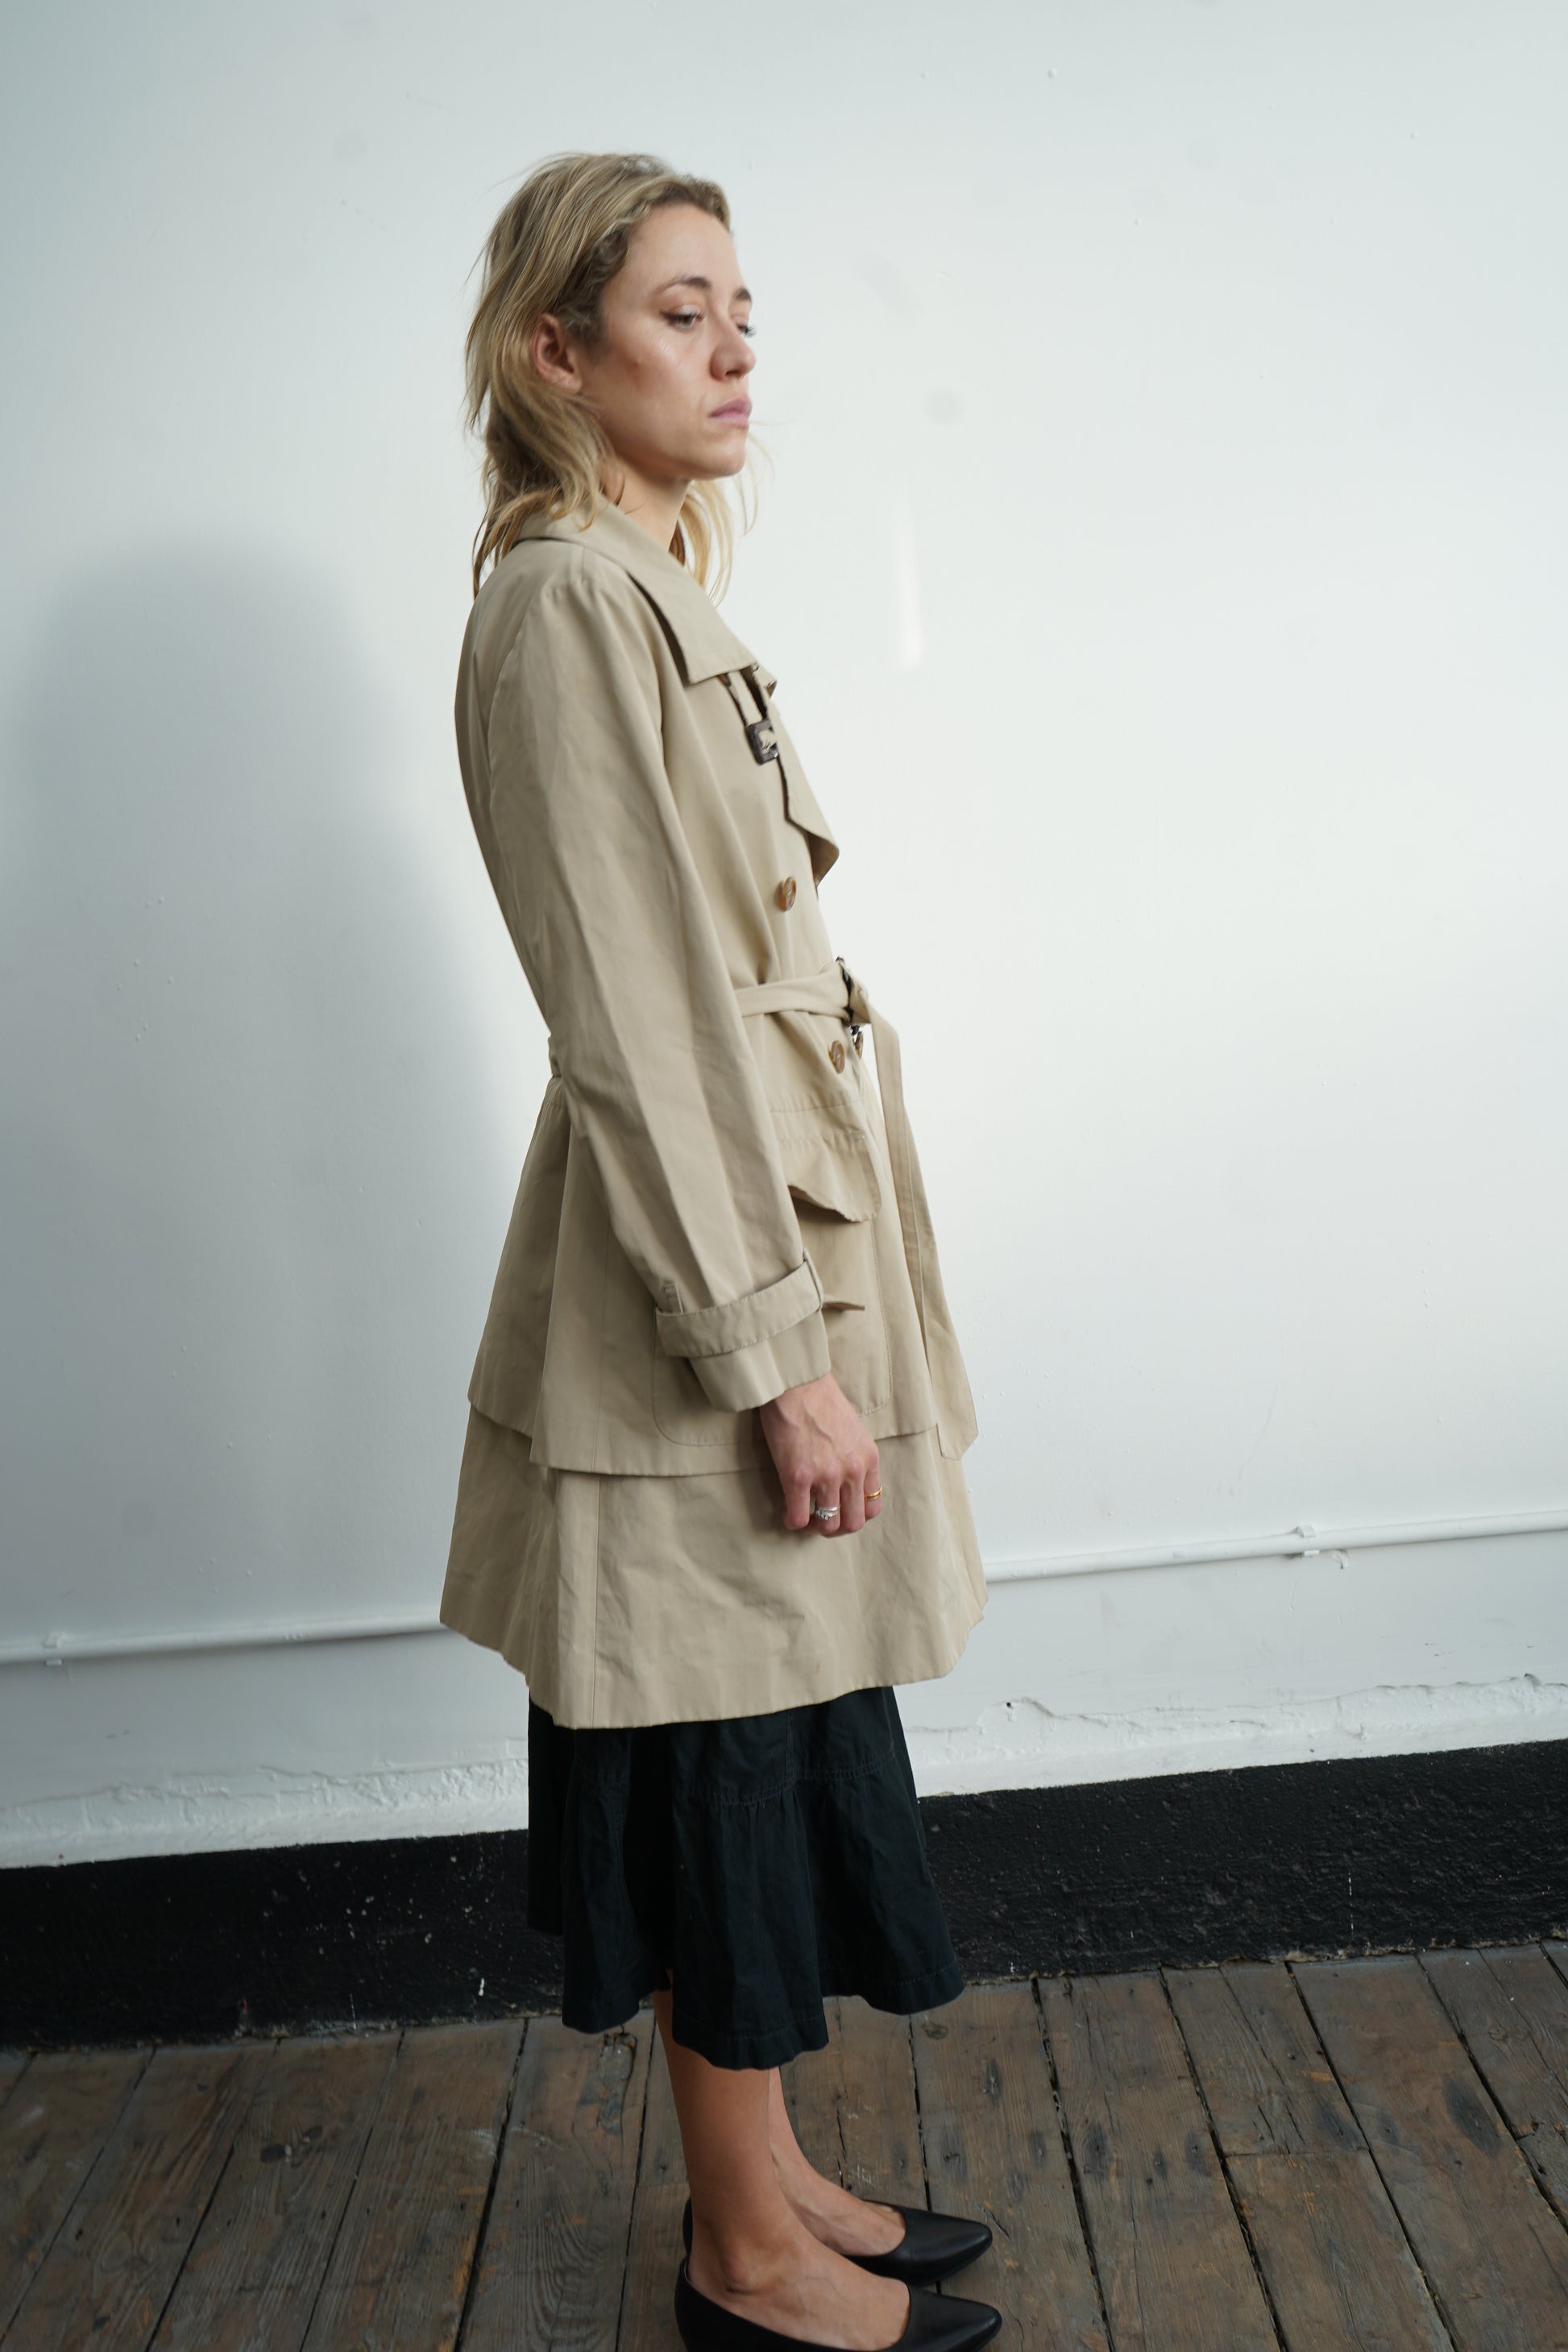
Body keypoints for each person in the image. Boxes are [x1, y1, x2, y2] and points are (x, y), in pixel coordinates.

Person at [442, 151, 999, 2352]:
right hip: (702, 1281)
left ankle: (773, 2188)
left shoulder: (645, 588)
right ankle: (742, 2256)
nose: (736, 347)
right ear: (554, 352)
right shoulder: (570, 605)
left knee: (758, 1733)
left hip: (754, 1230)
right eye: (682, 312)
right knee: (710, 1765)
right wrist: (774, 1348)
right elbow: (637, 1022)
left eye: (743, 308)